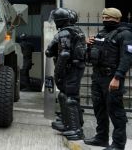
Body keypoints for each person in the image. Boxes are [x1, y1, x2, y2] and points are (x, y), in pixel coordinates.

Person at [84, 8, 132, 150]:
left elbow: (127, 57)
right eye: (104, 18)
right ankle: (101, 138)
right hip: (97, 77)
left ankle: (118, 144)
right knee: (99, 109)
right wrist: (89, 45)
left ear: (117, 19)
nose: (105, 20)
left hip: (112, 77)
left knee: (116, 112)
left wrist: (118, 77)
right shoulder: (102, 33)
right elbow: (93, 54)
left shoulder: (125, 34)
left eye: (109, 18)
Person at [45, 8, 86, 141]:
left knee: (70, 98)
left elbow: (64, 53)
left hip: (70, 69)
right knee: (65, 96)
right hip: (75, 68)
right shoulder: (77, 31)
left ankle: (76, 130)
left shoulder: (64, 33)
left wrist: (58, 71)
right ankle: (68, 124)